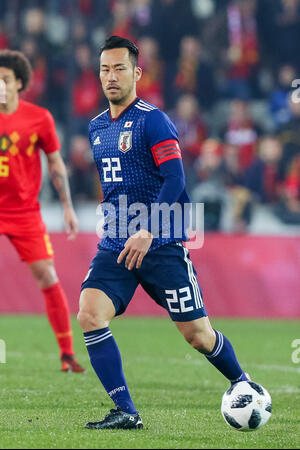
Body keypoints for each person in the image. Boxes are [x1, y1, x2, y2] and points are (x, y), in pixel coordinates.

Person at [77, 36, 249, 430]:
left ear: (136, 73)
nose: (111, 76)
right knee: (89, 313)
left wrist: (149, 230)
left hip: (162, 243)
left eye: (120, 68)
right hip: (117, 244)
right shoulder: (96, 127)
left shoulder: (153, 120)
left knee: (198, 336)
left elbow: (175, 179)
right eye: (105, 69)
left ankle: (243, 383)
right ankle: (126, 412)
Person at [0, 50, 85, 373]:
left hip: (24, 212)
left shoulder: (39, 118)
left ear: (19, 82)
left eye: (5, 79)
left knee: (47, 275)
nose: (0, 85)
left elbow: (55, 162)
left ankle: (66, 353)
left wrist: (67, 207)